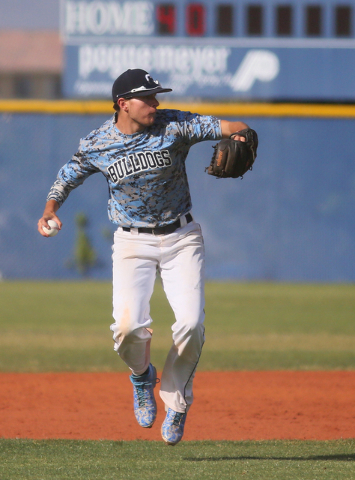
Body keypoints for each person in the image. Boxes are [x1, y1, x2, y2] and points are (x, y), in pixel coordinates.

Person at [38, 69, 252, 446]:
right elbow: (68, 174)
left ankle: (177, 403)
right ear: (123, 104)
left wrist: (241, 134)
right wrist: (50, 208)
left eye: (157, 97)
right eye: (148, 98)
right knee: (126, 328)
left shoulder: (175, 125)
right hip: (132, 242)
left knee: (190, 325)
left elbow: (232, 126)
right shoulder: (98, 143)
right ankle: (142, 376)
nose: (156, 103)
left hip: (181, 237)